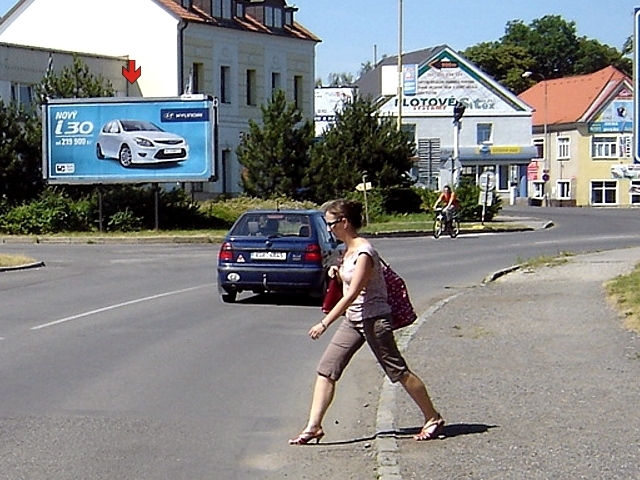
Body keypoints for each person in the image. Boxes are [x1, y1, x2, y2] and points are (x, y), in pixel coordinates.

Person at [288, 199, 444, 445]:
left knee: (398, 371)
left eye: (331, 223)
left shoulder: (364, 253)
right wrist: (336, 274)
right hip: (354, 320)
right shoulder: (347, 251)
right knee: (327, 369)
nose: (328, 229)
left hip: (374, 320)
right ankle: (314, 426)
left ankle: (432, 417)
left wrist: (324, 323)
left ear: (344, 222)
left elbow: (352, 295)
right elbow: (348, 284)